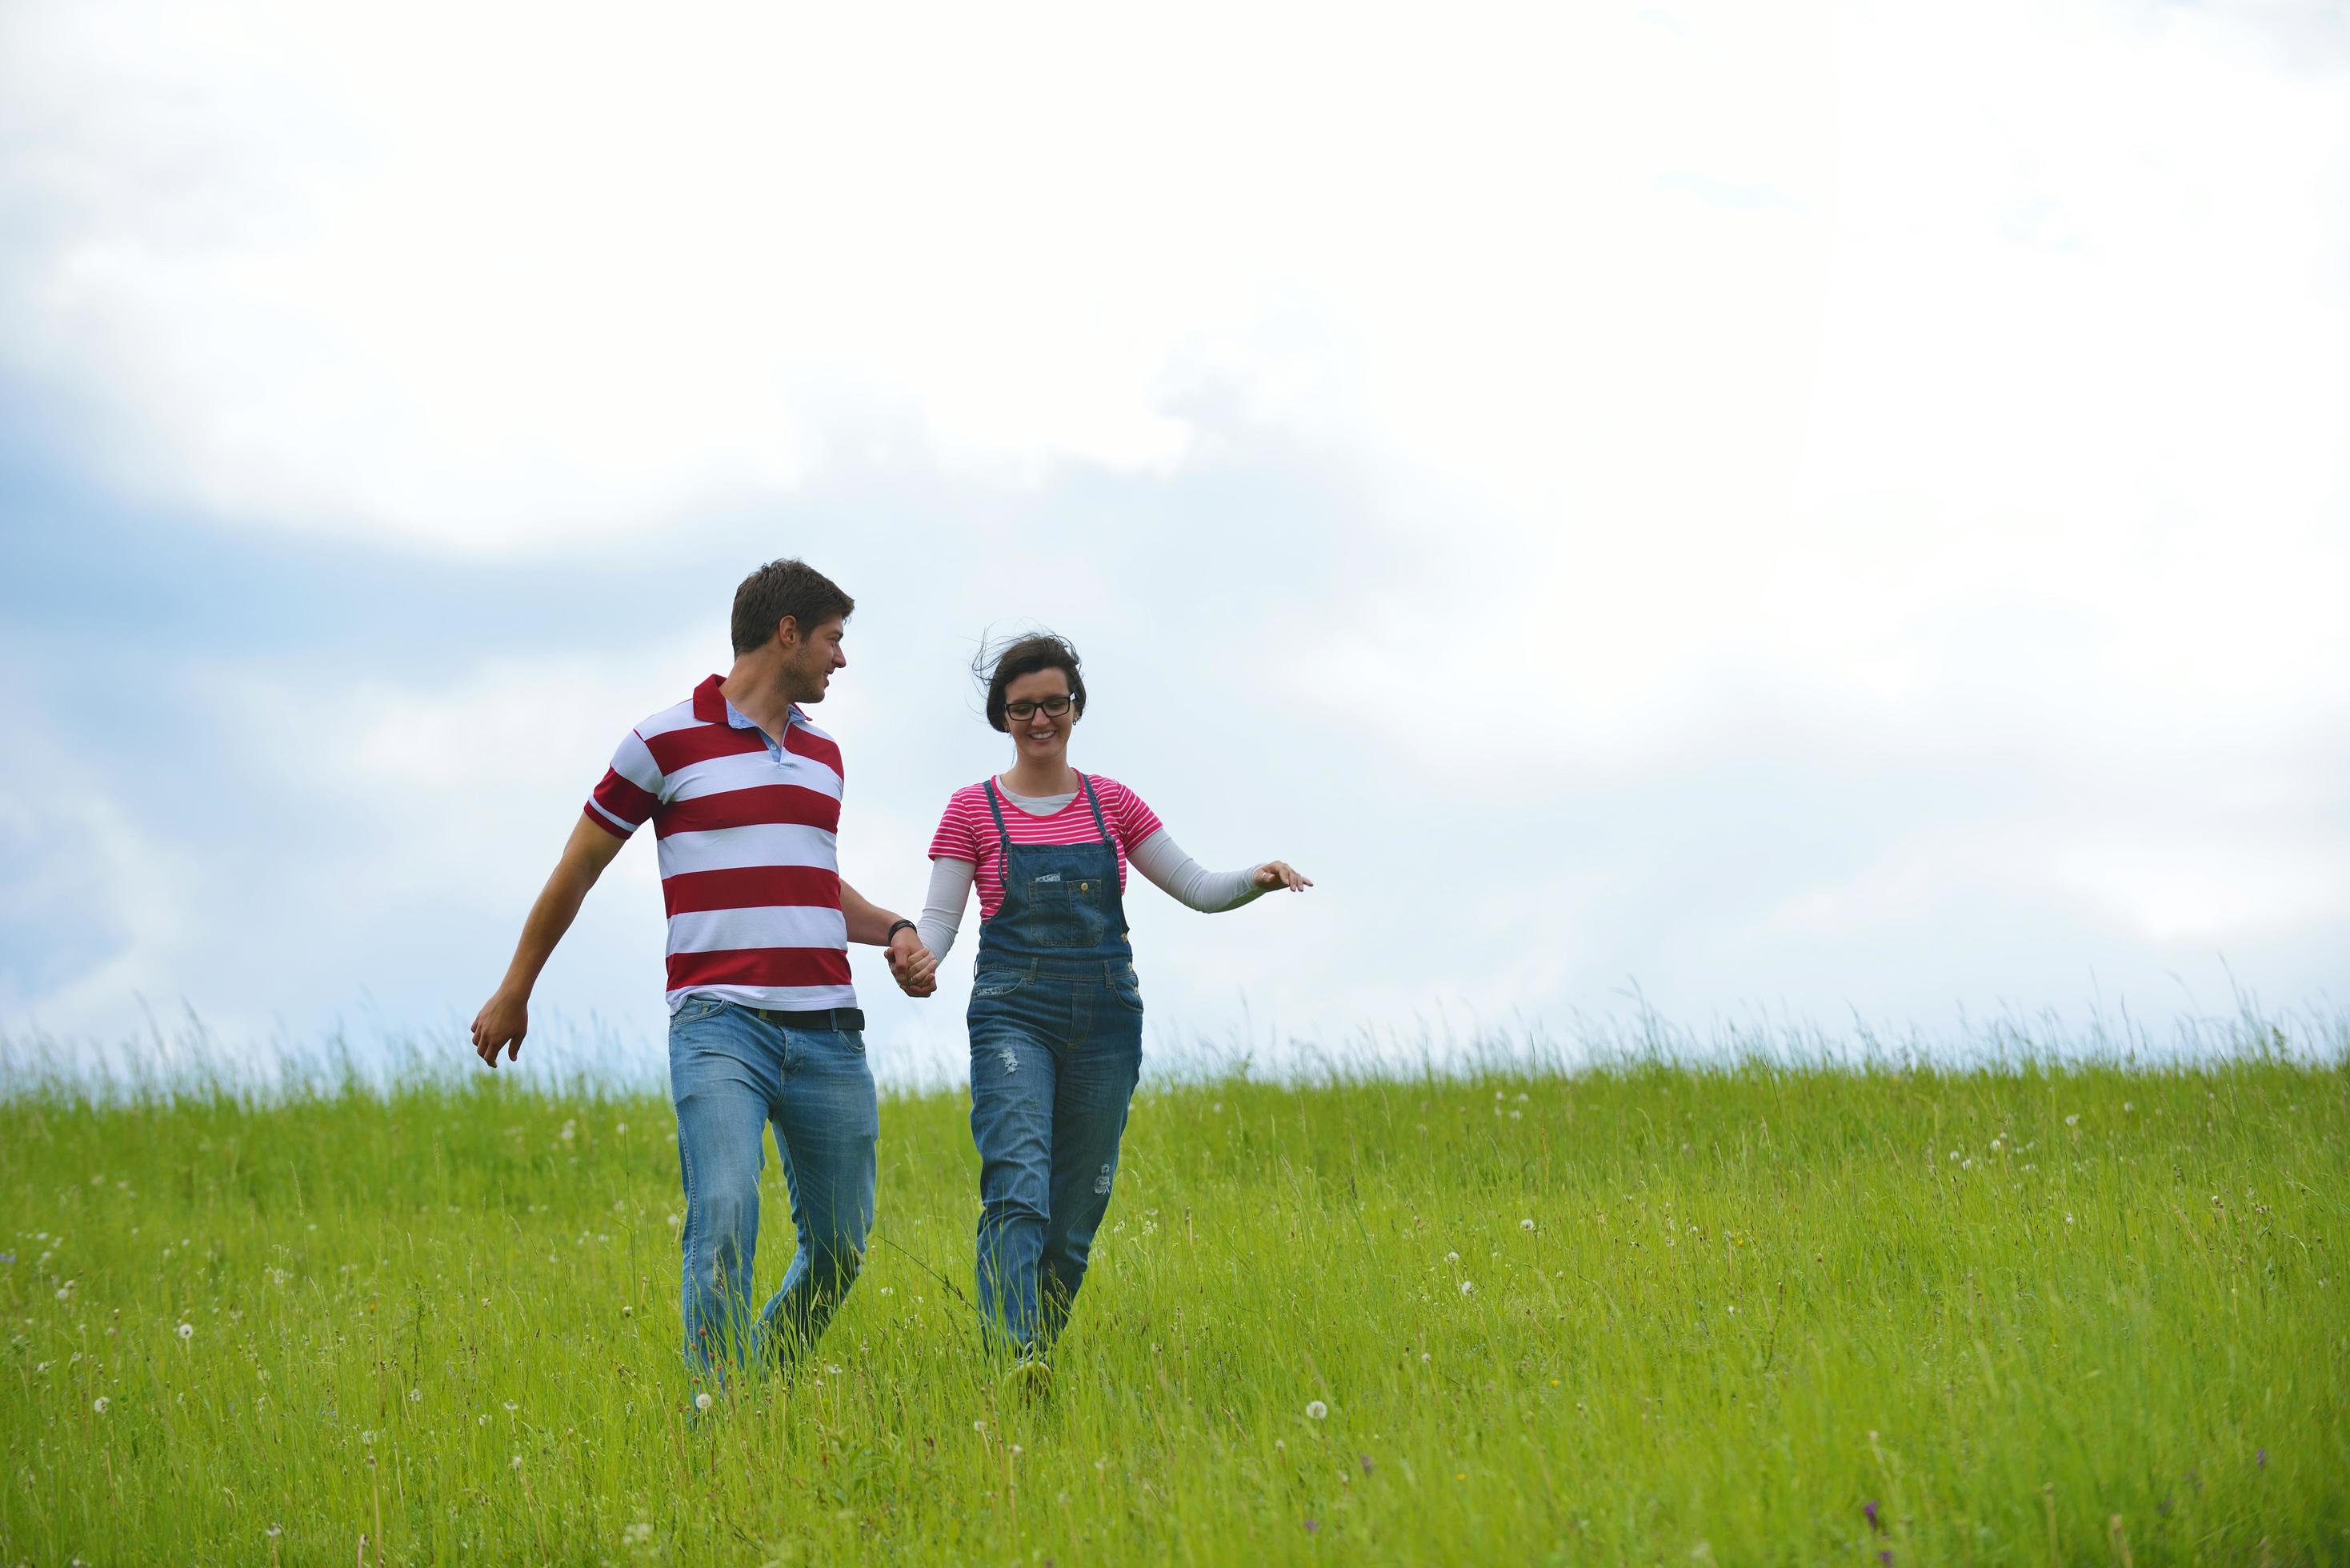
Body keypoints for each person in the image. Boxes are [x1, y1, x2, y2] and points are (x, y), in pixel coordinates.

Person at [468, 558, 936, 1387]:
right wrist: (517, 986)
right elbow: (577, 868)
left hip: (829, 1031)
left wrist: (894, 927)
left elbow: (810, 882)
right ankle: (719, 1413)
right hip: (720, 1026)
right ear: (786, 632)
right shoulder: (661, 741)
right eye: (833, 639)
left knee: (842, 1243)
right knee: (723, 1215)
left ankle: (758, 1377)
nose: (841, 658)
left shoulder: (824, 754)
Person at [905, 631, 1310, 1371]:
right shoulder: (969, 811)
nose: (1039, 720)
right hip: (1012, 1014)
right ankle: (1012, 1361)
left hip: (1105, 1021)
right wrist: (915, 956)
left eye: (1053, 704)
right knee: (1017, 1186)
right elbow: (938, 922)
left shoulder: (1111, 804)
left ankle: (1035, 1351)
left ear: (1075, 708)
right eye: (1022, 707)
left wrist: (1256, 877)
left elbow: (1194, 885)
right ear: (1001, 715)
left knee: (1076, 1210)